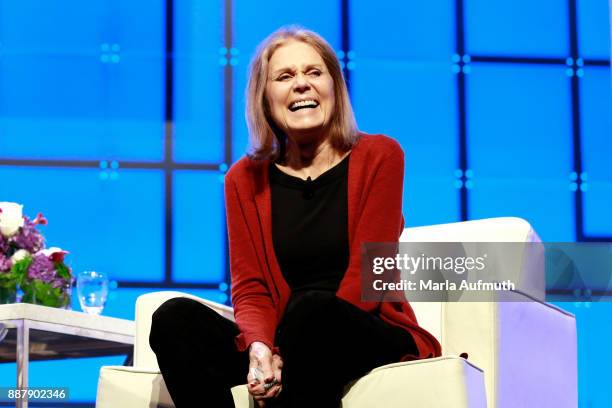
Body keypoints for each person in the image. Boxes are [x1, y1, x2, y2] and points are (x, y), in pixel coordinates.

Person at [149, 26, 441, 408]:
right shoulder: (243, 178)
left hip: (362, 327)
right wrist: (260, 349)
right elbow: (251, 287)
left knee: (312, 312)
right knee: (174, 318)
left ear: (334, 88)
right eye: (285, 77)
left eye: (314, 73)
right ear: (265, 98)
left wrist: (288, 347)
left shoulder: (381, 156)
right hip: (288, 335)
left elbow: (374, 273)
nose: (301, 85)